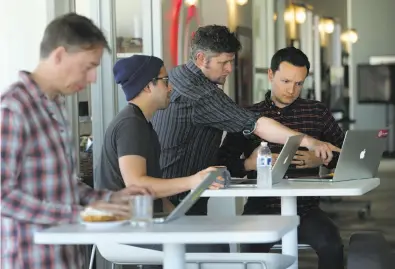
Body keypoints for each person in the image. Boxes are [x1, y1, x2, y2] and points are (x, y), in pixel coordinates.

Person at [1, 13, 152, 269]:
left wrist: (107, 200)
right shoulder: (13, 109)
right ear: (59, 55)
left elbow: (60, 187)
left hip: (67, 257)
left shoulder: (56, 105)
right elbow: (3, 195)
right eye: (89, 67)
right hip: (30, 259)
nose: (93, 78)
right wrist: (82, 215)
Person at [151, 25, 340, 215]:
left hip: (174, 189)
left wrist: (320, 159)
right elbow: (256, 124)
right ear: (201, 58)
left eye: (231, 61)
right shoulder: (201, 93)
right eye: (223, 62)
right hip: (177, 195)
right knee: (210, 245)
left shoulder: (177, 75)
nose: (229, 69)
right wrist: (308, 141)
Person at [217, 47, 345, 269]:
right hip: (261, 208)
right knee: (250, 256)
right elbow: (222, 166)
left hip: (306, 209)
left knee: (332, 245)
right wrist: (249, 163)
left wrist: (321, 160)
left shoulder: (317, 112)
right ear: (270, 75)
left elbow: (343, 153)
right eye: (285, 81)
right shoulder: (249, 117)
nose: (291, 90)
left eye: (298, 83)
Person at [95, 55, 221, 213]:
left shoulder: (141, 122)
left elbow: (154, 193)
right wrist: (193, 181)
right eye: (165, 80)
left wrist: (177, 218)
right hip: (123, 230)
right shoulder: (130, 124)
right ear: (147, 86)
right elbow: (137, 185)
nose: (171, 88)